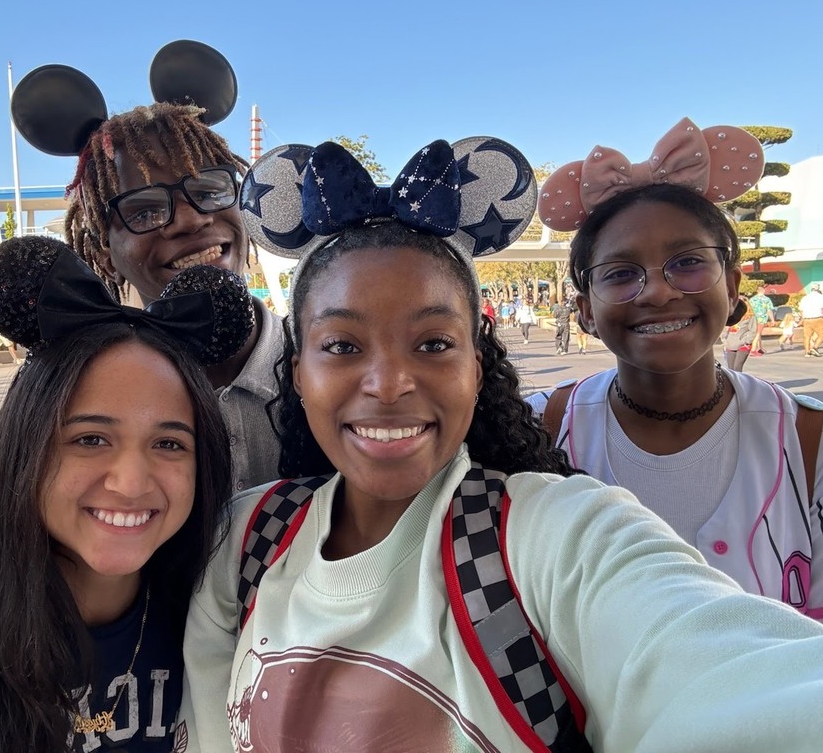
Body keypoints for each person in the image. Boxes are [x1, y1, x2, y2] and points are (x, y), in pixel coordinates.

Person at [182, 138, 823, 753]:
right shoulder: (246, 539)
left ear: (478, 366)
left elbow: (738, 673)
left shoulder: (554, 534)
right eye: (342, 346)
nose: (387, 385)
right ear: (297, 371)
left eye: (433, 343)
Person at [0, 235, 245, 753]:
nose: (130, 482)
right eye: (90, 439)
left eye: (169, 443)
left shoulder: (220, 632)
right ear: (24, 450)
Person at [532, 118, 823, 612]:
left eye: (688, 262)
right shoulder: (534, 430)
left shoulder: (809, 441)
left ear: (732, 287)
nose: (659, 291)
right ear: (585, 309)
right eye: (621, 273)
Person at [61, 103, 283, 493]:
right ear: (105, 259)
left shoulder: (330, 363)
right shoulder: (86, 395)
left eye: (210, 190)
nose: (191, 219)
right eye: (144, 212)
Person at [722, 295, 756, 371]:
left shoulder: (750, 317)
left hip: (742, 345)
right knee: (730, 369)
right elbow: (725, 328)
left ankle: (738, 382)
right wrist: (724, 340)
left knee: (737, 368)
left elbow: (753, 330)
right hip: (730, 344)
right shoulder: (731, 315)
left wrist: (746, 341)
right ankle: (732, 383)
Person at [747, 284, 775, 355]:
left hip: (753, 318)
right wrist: (772, 320)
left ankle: (759, 348)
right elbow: (769, 310)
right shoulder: (766, 299)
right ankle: (753, 350)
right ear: (763, 290)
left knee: (756, 332)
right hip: (761, 318)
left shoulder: (752, 299)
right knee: (758, 333)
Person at [800, 283, 823, 357]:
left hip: (807, 319)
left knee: (807, 336)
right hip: (817, 318)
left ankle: (807, 352)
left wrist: (802, 318)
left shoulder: (805, 298)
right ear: (818, 289)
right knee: (821, 335)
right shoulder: (820, 297)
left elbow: (801, 310)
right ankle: (815, 348)